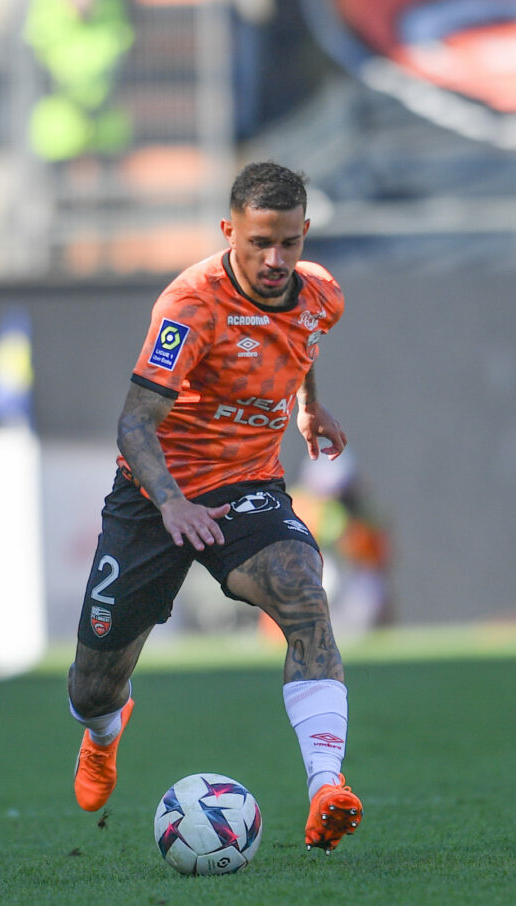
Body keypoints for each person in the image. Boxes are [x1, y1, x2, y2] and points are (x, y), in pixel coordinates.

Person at [68, 161, 362, 854]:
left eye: (288, 243)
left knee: (303, 593)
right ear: (230, 230)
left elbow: (302, 339)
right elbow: (136, 423)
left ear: (305, 234)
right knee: (91, 685)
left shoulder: (321, 294)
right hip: (154, 494)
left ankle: (327, 784)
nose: (274, 259)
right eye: (259, 242)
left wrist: (307, 405)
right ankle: (104, 732)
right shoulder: (190, 304)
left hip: (245, 487)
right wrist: (170, 502)